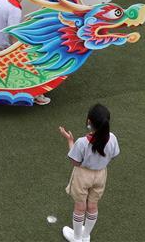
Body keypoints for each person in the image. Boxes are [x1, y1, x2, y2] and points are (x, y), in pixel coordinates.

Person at [58, 104, 120, 242]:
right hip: (101, 174)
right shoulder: (112, 138)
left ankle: (77, 238)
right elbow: (114, 155)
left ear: (89, 122)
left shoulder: (82, 142)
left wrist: (70, 140)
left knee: (80, 207)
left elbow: (75, 162)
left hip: (83, 176)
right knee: (92, 205)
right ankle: (86, 236)